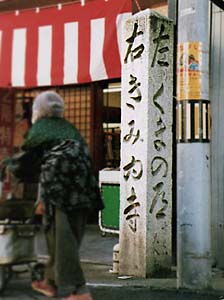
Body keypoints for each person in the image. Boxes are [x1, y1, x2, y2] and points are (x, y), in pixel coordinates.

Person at [4, 91, 104, 300]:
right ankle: (49, 283)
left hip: (58, 187)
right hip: (84, 186)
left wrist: (7, 166)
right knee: (69, 237)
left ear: (38, 111)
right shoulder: (69, 128)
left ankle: (80, 290)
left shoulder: (40, 128)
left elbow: (26, 163)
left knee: (61, 239)